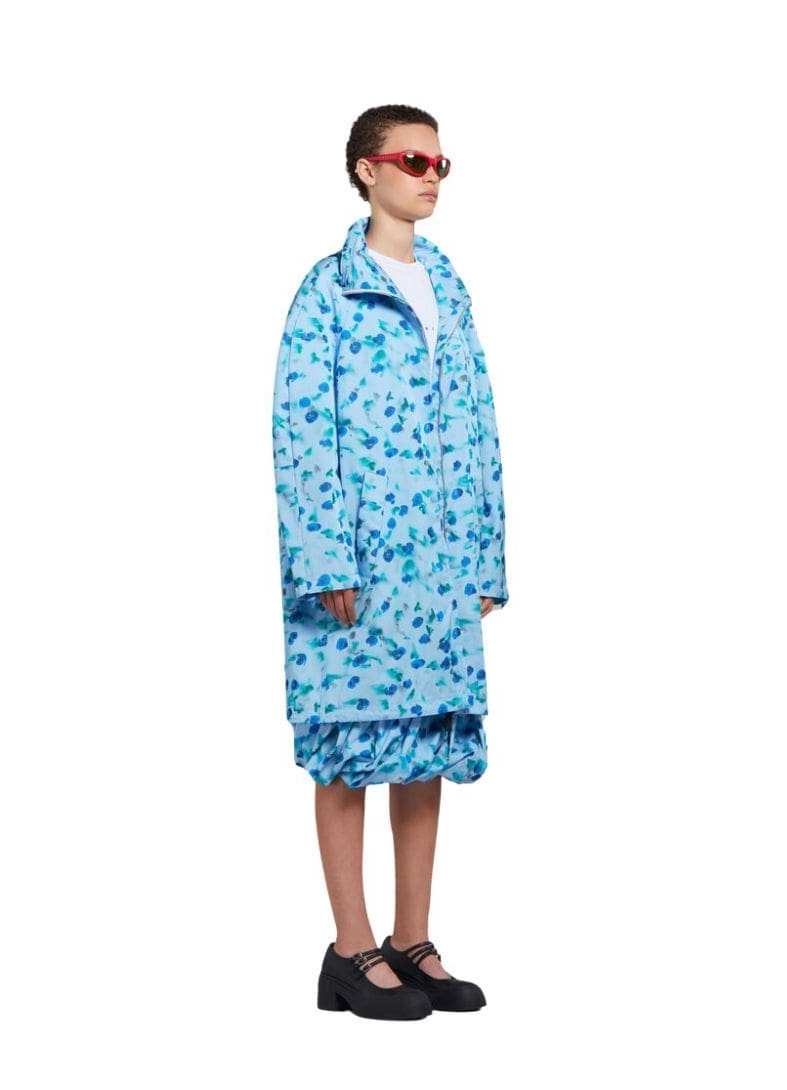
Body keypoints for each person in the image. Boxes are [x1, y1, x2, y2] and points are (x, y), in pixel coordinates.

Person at [271, 104, 510, 1019]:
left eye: (442, 163)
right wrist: (323, 557)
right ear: (367, 170)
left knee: (423, 744)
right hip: (359, 564)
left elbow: (480, 422)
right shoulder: (327, 291)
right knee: (346, 743)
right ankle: (350, 948)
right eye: (413, 160)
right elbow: (302, 430)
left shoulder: (449, 287)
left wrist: (486, 555)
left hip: (440, 562)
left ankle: (414, 939)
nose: (432, 175)